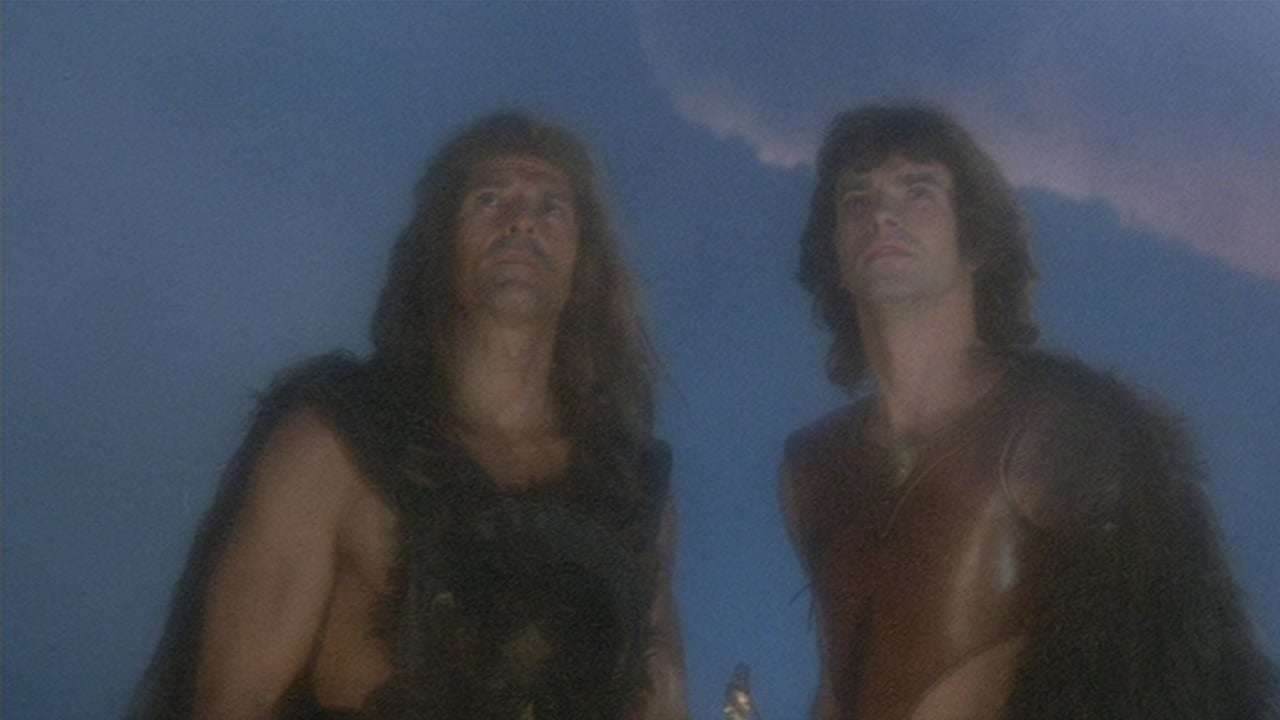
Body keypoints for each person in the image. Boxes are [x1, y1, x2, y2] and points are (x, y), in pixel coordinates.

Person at [129, 113, 688, 720]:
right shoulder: (334, 445)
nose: (521, 221)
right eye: (490, 199)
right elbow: (233, 702)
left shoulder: (630, 490)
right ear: (441, 249)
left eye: (551, 207)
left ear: (583, 265)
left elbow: (661, 701)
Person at [781, 104, 1276, 720]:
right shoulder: (813, 466)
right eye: (857, 199)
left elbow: (1176, 671)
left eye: (919, 192)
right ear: (832, 250)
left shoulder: (1065, 427)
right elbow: (839, 679)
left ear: (975, 238)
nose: (882, 214)